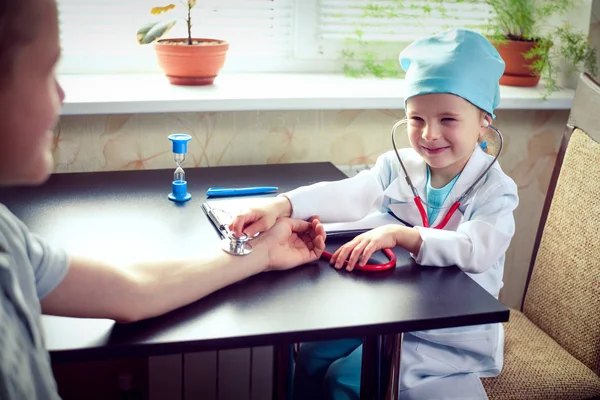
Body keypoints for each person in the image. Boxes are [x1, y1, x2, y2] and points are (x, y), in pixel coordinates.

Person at [0, 0, 327, 398]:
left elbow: (131, 290)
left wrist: (261, 252)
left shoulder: (7, 238)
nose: (61, 94)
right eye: (46, 68)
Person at [229, 28, 519, 399]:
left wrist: (401, 236)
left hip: (441, 332)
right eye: (416, 119)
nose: (429, 134)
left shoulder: (496, 189)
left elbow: (477, 249)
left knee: (346, 381)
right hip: (392, 306)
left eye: (448, 119)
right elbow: (353, 193)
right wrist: (281, 205)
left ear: (484, 121)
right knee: (312, 355)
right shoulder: (400, 165)